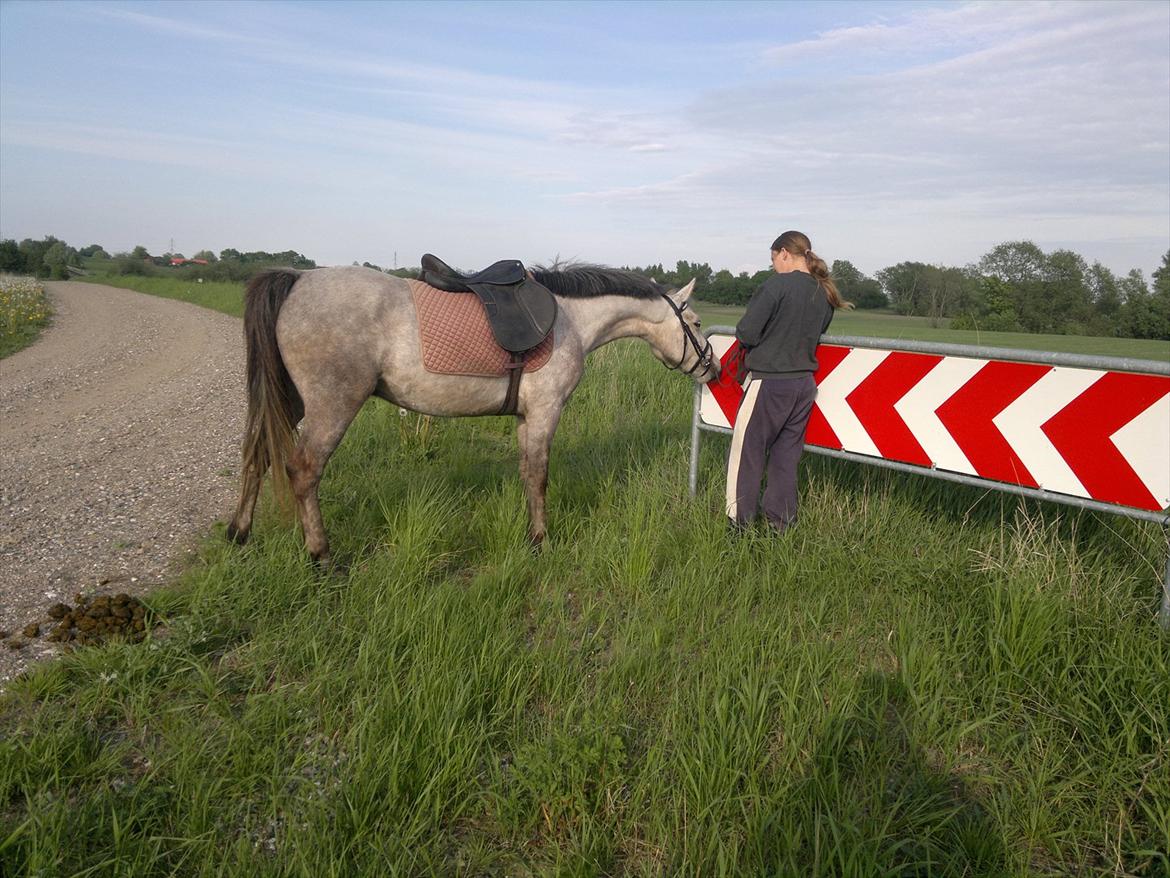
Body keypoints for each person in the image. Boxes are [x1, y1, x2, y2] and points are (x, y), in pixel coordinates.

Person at [725, 230, 852, 533]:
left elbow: (747, 333)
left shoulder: (776, 285)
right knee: (785, 458)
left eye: (773, 260)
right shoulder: (823, 293)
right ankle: (779, 526)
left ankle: (739, 525)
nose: (773, 266)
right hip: (803, 386)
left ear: (784, 253)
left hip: (768, 383)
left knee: (748, 454)